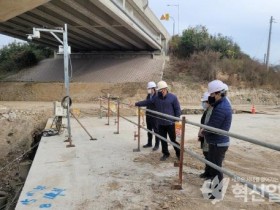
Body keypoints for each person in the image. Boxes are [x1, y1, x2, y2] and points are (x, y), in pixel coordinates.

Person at [135, 81, 181, 161]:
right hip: (161, 123)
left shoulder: (173, 97)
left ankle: (178, 153)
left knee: (173, 139)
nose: (162, 91)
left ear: (166, 89)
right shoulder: (156, 98)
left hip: (171, 123)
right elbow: (147, 102)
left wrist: (176, 119)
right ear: (158, 90)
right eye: (160, 90)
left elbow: (177, 109)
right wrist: (137, 103)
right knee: (163, 139)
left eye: (163, 89)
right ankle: (165, 153)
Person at [203, 80, 232, 185]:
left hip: (218, 143)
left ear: (218, 93)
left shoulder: (221, 108)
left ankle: (217, 192)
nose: (210, 96)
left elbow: (212, 127)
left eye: (211, 94)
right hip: (216, 142)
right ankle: (214, 187)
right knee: (214, 167)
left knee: (216, 169)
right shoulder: (221, 104)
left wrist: (203, 131)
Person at [142, 81, 160, 151]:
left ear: (154, 89)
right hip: (148, 115)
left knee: (156, 130)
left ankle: (157, 144)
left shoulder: (157, 96)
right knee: (149, 130)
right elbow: (146, 102)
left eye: (150, 88)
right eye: (148, 89)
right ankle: (149, 143)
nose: (149, 90)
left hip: (155, 116)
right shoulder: (149, 95)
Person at [198, 92, 212, 179]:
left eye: (204, 102)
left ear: (208, 101)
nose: (203, 104)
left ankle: (210, 174)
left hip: (208, 136)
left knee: (209, 155)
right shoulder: (206, 111)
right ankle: (207, 172)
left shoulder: (212, 111)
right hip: (204, 136)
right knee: (206, 154)